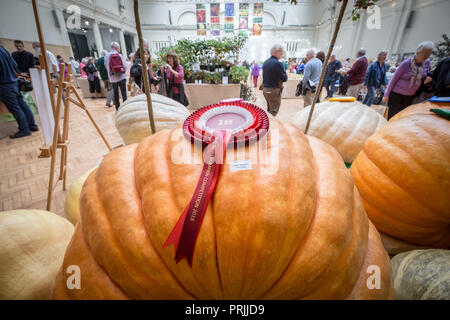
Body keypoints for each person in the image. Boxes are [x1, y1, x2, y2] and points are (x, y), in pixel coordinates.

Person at [383, 41, 434, 119]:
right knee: (393, 116)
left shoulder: (427, 62)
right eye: (425, 53)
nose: (427, 56)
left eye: (429, 53)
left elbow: (423, 76)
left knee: (403, 115)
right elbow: (394, 79)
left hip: (411, 95)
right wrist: (386, 95)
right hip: (397, 94)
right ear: (418, 52)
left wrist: (425, 80)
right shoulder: (405, 64)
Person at [0, 46, 38, 139]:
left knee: (15, 108)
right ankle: (32, 126)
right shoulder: (3, 49)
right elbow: (14, 65)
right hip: (14, 82)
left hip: (4, 85)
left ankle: (24, 129)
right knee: (22, 105)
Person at [262, 44, 288, 117]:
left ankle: (267, 124)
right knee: (273, 112)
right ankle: (270, 126)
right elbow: (284, 78)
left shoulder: (266, 62)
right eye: (281, 52)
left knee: (269, 109)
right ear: (276, 52)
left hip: (265, 89)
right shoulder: (278, 63)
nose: (282, 54)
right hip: (273, 90)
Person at [105, 42, 127, 110]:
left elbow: (106, 66)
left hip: (112, 78)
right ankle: (125, 107)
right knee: (124, 93)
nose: (119, 49)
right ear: (116, 47)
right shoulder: (119, 55)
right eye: (119, 47)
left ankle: (117, 108)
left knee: (116, 94)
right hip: (121, 77)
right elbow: (125, 66)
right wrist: (123, 72)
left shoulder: (107, 56)